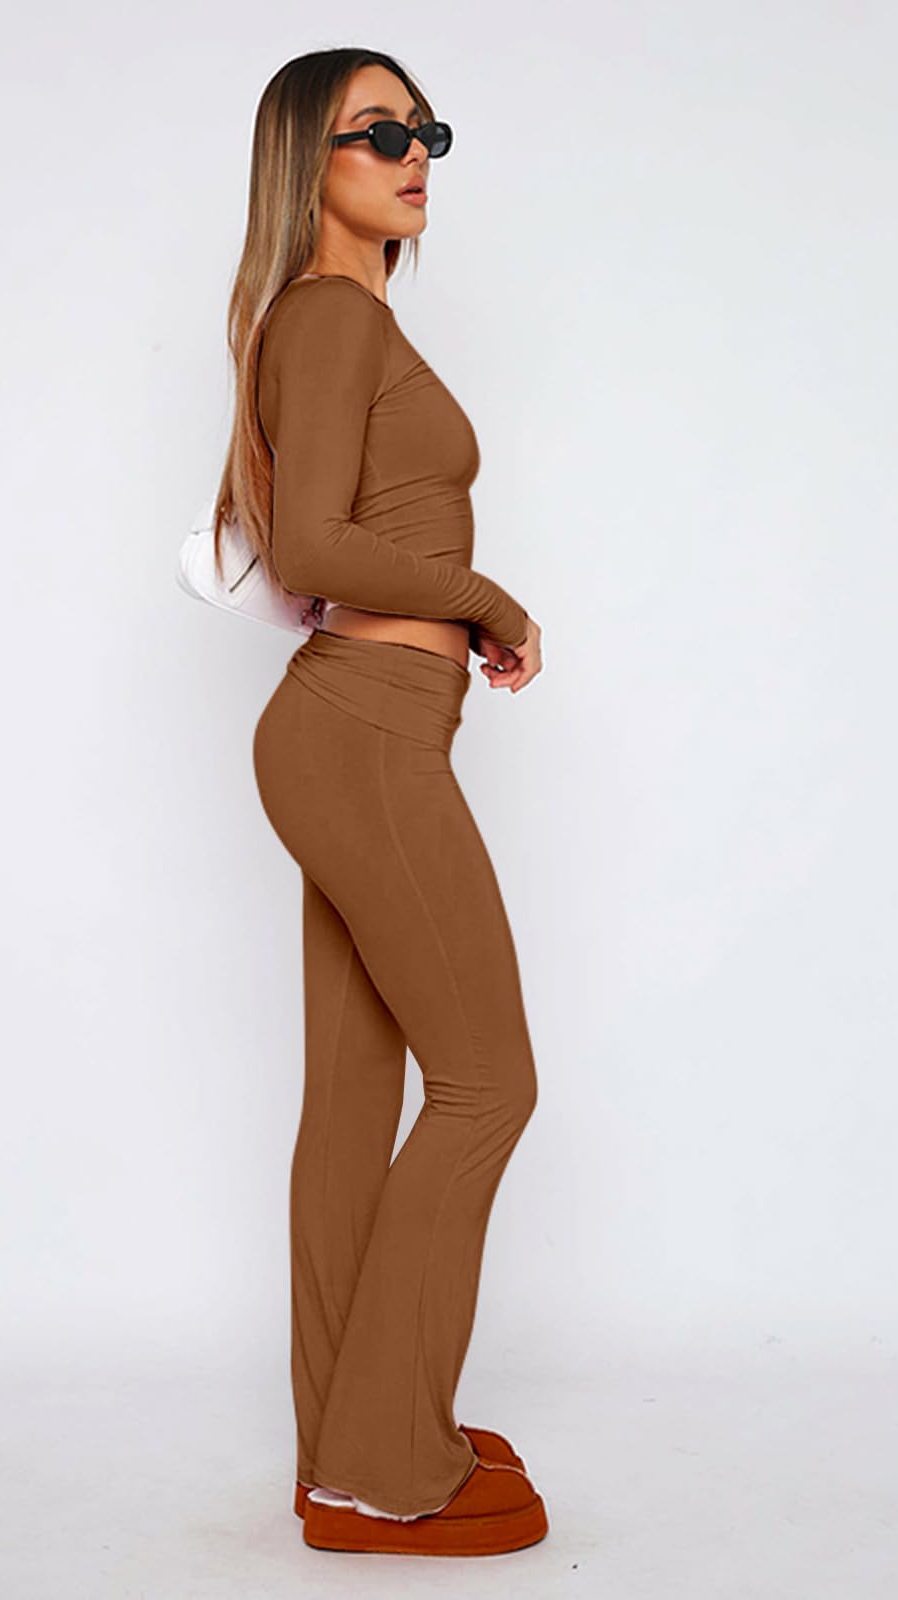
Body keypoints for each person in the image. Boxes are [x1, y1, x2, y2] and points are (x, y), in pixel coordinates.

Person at [211, 47, 548, 1558]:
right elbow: (312, 549)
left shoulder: (327, 317)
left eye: (427, 132)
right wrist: (488, 599)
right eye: (378, 132)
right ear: (309, 161)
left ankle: (343, 1448)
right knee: (487, 1086)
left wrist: (450, 621)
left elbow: (325, 535)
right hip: (361, 732)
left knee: (357, 1099)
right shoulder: (332, 314)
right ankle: (384, 1462)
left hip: (358, 724)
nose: (415, 155)